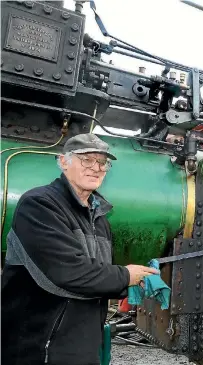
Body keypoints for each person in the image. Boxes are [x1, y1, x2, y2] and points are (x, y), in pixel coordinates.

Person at [1, 133, 159, 365]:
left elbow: (97, 276)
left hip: (82, 345)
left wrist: (135, 283)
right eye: (87, 159)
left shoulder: (100, 219)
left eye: (102, 162)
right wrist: (126, 275)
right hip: (39, 346)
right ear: (63, 161)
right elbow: (68, 272)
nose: (96, 168)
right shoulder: (39, 204)